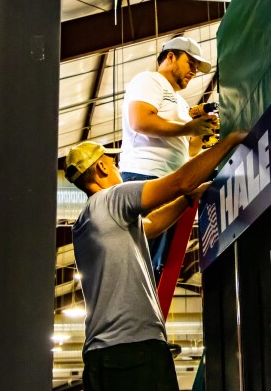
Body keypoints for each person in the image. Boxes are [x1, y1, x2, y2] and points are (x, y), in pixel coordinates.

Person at [66, 130, 246, 391]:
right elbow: (179, 181)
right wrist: (230, 141)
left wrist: (189, 199)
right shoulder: (113, 198)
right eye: (113, 163)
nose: (117, 168)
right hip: (134, 350)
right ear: (102, 166)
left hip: (100, 356)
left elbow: (152, 224)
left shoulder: (86, 222)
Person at [121, 35, 217, 282]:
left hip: (169, 182)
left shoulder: (182, 103)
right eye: (191, 63)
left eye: (197, 67)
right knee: (144, 263)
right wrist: (189, 129)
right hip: (146, 178)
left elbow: (188, 150)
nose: (194, 72)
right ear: (171, 56)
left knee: (156, 267)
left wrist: (201, 131)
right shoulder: (149, 80)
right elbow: (140, 120)